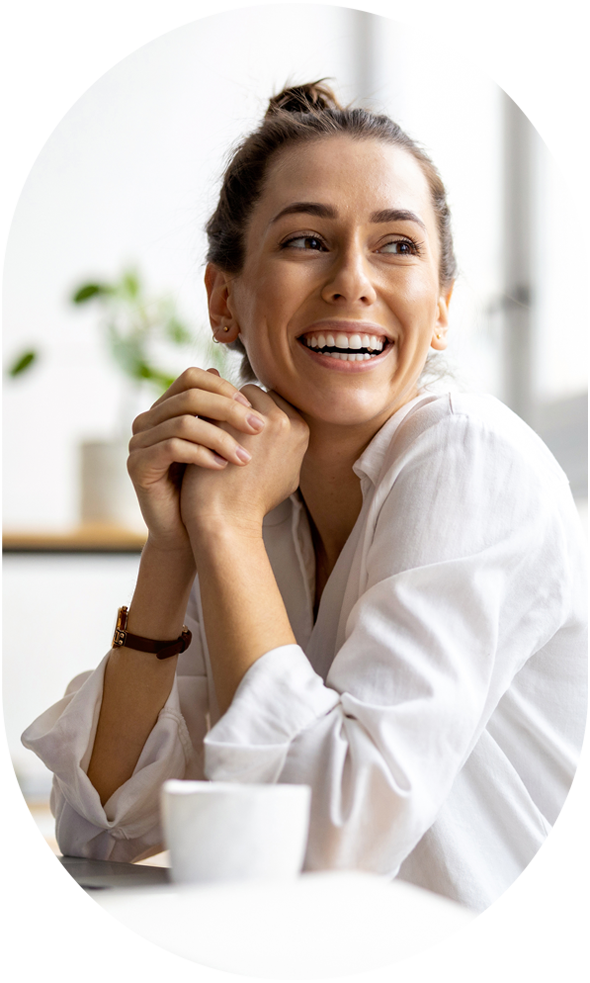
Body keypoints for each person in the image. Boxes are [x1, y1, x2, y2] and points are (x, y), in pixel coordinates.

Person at [23, 81, 586, 959]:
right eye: (307, 241)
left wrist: (228, 536)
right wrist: (177, 543)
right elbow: (102, 829)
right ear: (223, 300)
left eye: (397, 245)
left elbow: (326, 846)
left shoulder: (469, 462)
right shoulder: (255, 499)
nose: (353, 281)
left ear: (439, 308)